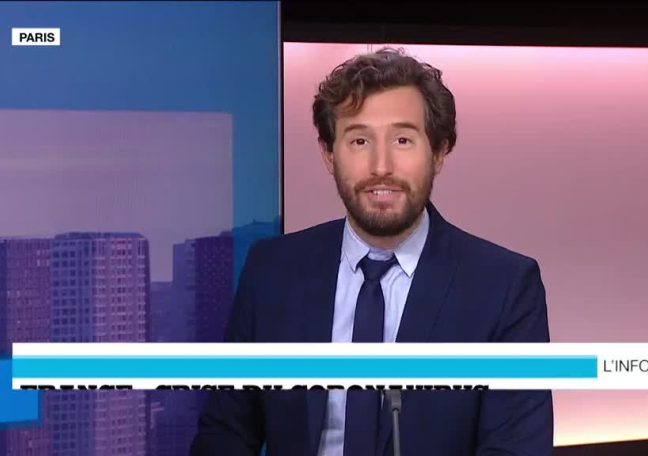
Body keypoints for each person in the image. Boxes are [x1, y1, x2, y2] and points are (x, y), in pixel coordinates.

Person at [191, 47, 553, 456]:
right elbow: (225, 433)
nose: (381, 166)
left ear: (438, 152)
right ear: (329, 154)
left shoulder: (504, 288)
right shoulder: (272, 272)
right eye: (360, 140)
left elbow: (514, 448)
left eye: (402, 140)